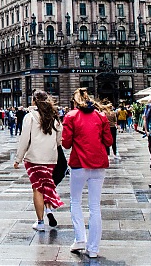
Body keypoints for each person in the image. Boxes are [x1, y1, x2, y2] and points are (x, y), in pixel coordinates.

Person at [62, 88, 112, 258]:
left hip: (79, 164)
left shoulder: (71, 116)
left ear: (74, 102)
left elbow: (66, 144)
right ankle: (93, 249)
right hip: (99, 164)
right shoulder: (101, 116)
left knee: (76, 202)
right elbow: (108, 141)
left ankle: (80, 238)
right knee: (95, 207)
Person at [13, 90, 63, 232]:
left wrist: (18, 158)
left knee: (37, 188)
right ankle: (48, 210)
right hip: (51, 158)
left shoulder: (30, 117)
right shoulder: (54, 117)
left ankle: (40, 222)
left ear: (34, 101)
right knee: (46, 184)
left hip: (34, 158)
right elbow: (60, 139)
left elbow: (24, 139)